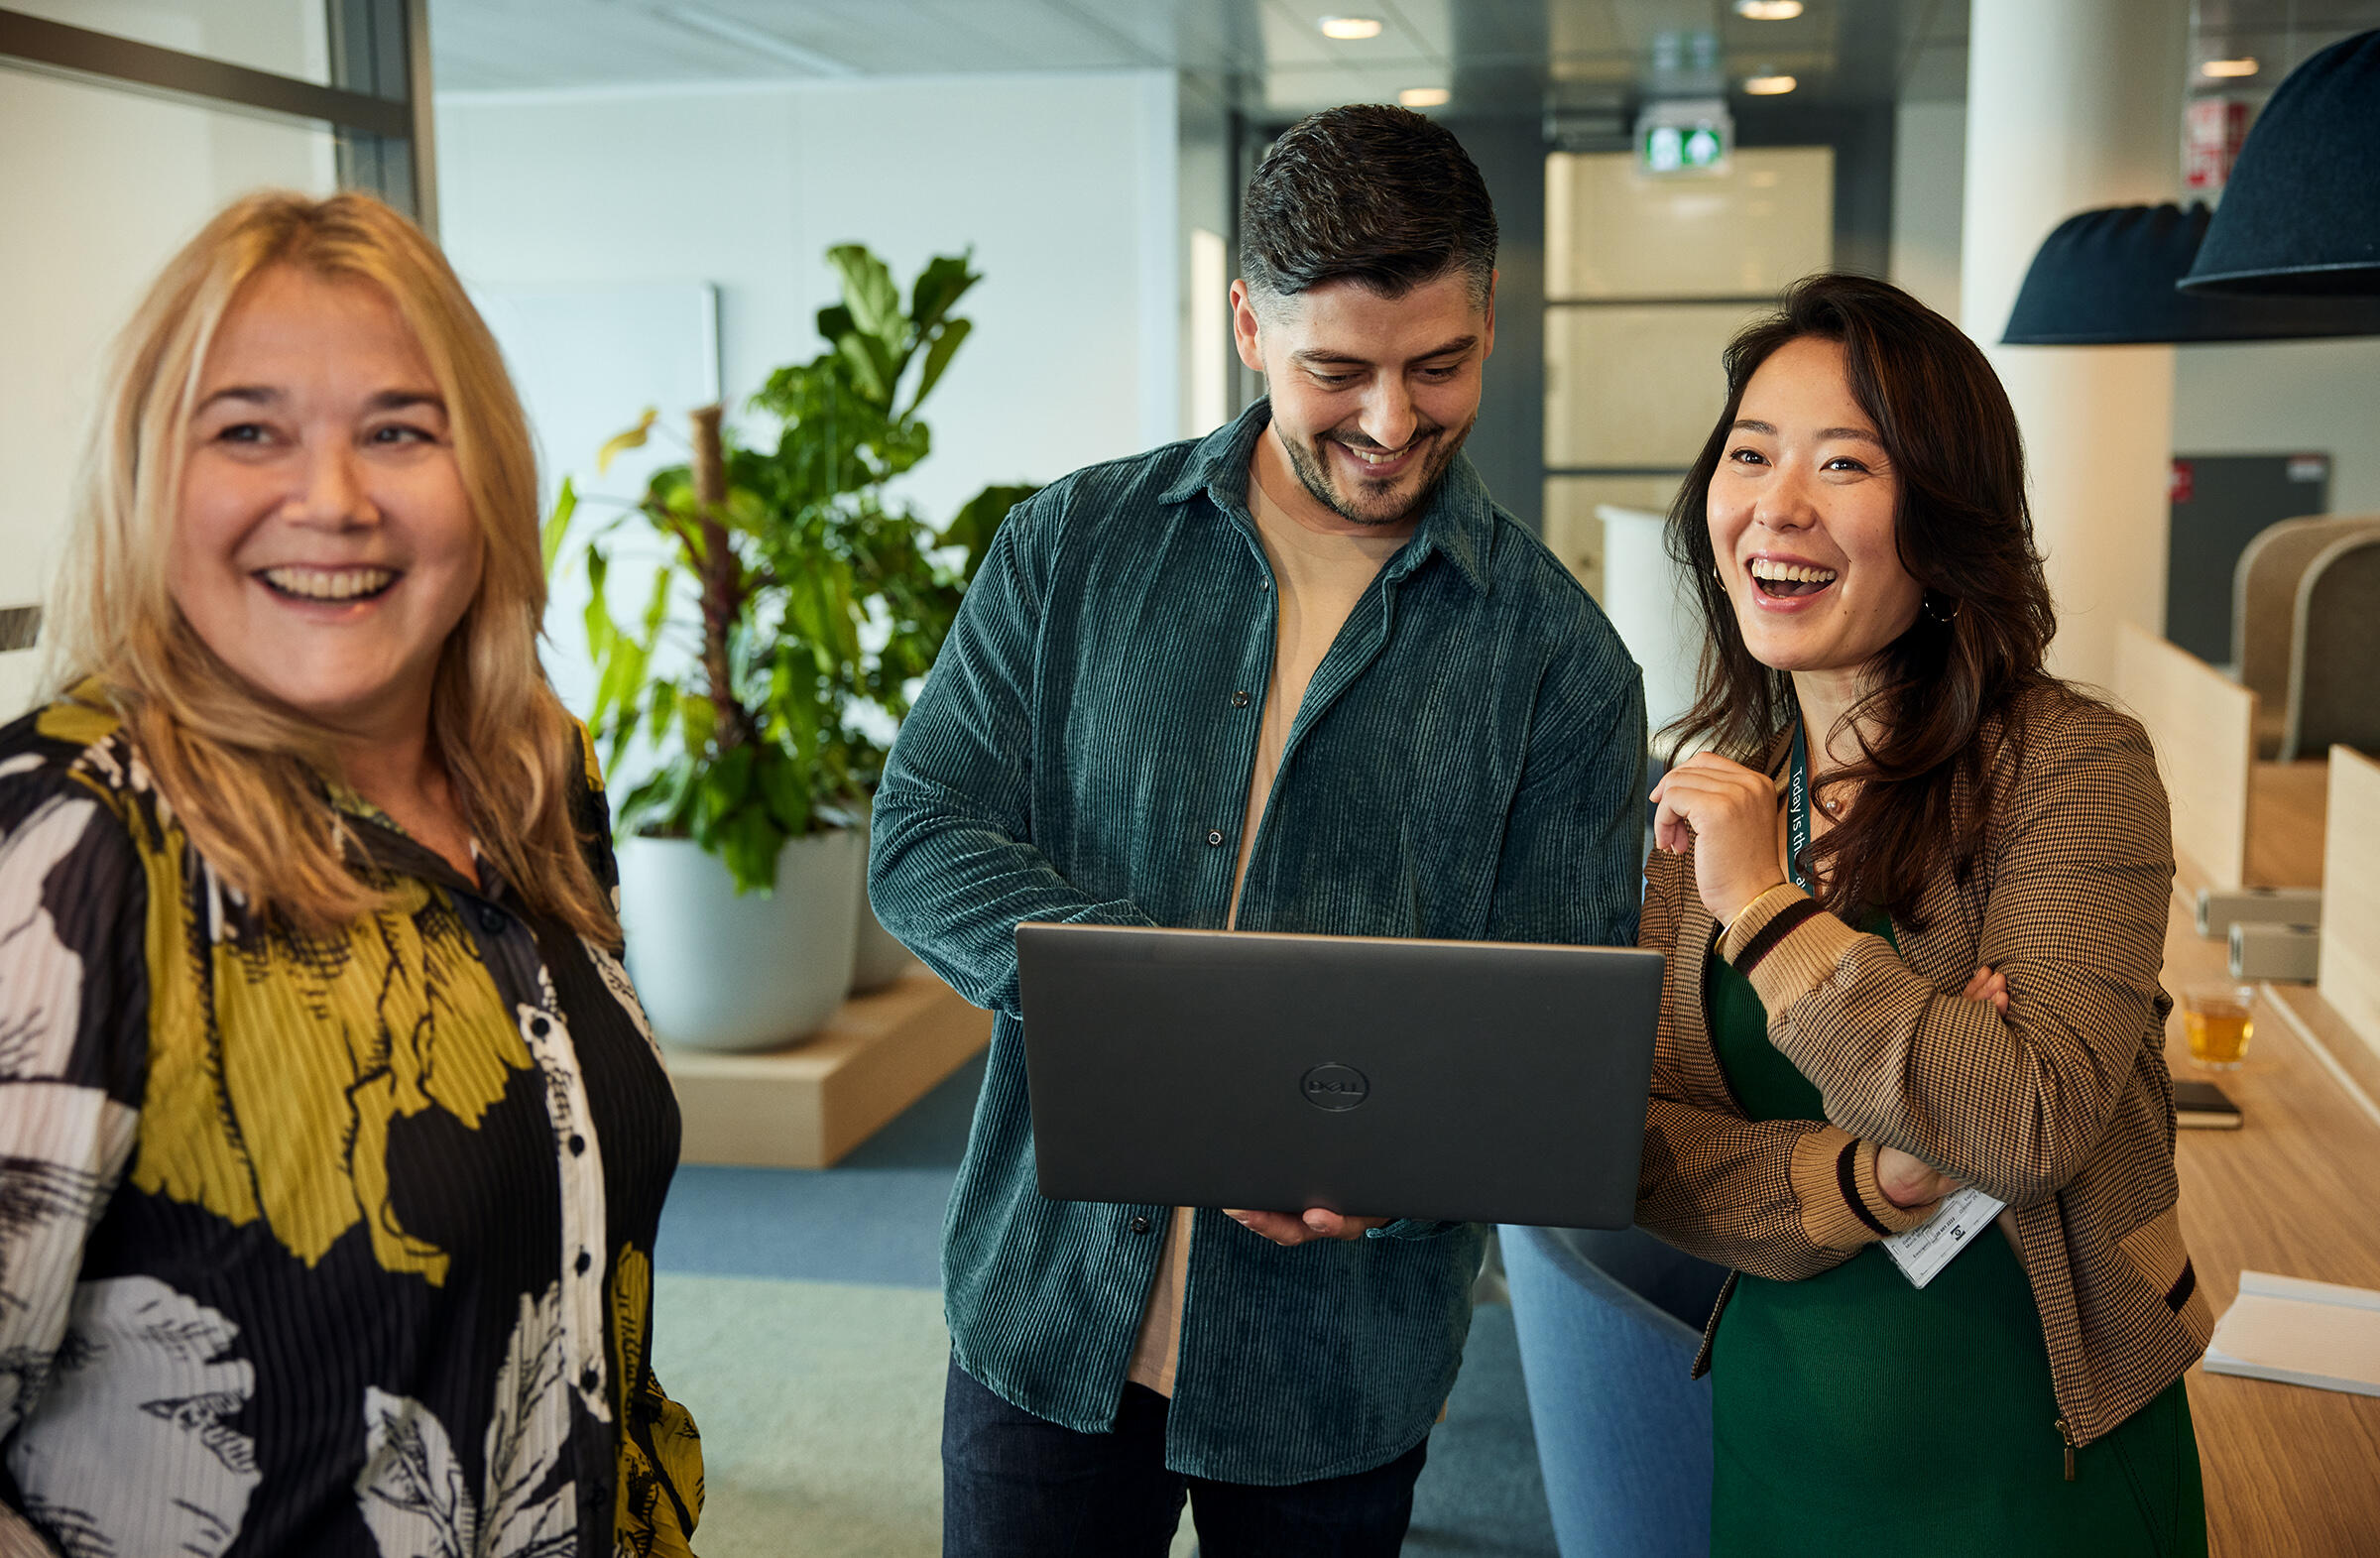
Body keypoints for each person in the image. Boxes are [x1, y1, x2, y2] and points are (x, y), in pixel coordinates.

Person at [869, 104, 1645, 1555]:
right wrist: (1151, 1005)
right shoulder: (1073, 547)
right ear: (1247, 325)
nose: (1392, 423)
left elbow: (1553, 1030)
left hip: (1335, 1365)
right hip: (1047, 1312)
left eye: (1439, 366)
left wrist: (1399, 1175)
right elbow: (921, 831)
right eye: (1335, 372)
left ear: (1491, 319)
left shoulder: (1562, 665)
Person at [0, 191, 702, 1554]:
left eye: (398, 431)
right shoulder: (71, 840)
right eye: (248, 431)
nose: (333, 501)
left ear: (483, 472)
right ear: (149, 478)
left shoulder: (534, 778)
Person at [1634, 273, 2210, 1555]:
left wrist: (1768, 914)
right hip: (1784, 1448)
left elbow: (2027, 1122)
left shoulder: (2072, 768)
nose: (1777, 506)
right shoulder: (1720, 799)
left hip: (2041, 1468)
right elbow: (1644, 1150)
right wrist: (1877, 1170)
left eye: (1845, 463)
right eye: (1750, 455)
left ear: (1944, 517)